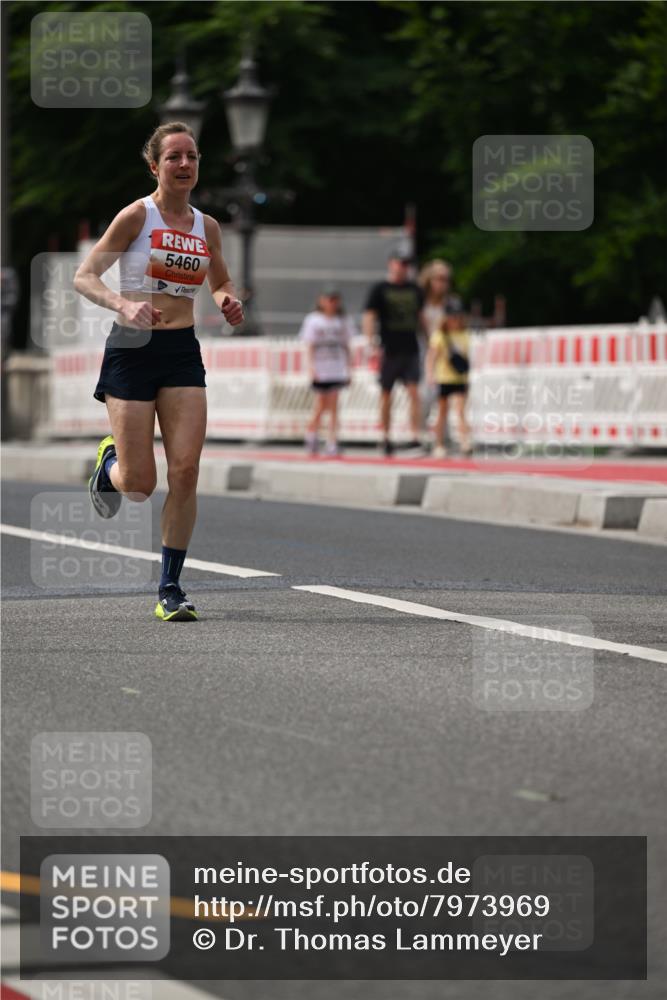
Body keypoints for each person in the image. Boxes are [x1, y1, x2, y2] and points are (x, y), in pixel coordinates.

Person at [74, 121, 244, 622]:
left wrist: (227, 300)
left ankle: (170, 587)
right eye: (174, 157)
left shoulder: (206, 226)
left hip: (181, 350)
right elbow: (85, 276)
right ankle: (109, 465)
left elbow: (221, 280)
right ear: (155, 166)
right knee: (139, 484)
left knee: (185, 471)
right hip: (132, 346)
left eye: (192, 156)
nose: (184, 164)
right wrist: (123, 305)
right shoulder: (136, 216)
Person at [363, 250, 425, 456]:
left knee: (414, 393)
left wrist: (430, 338)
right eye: (400, 263)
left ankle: (415, 436)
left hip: (411, 347)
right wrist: (371, 343)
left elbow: (421, 316)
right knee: (386, 394)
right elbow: (369, 316)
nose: (402, 268)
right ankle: (385, 436)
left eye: (406, 264)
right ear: (391, 264)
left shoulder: (415, 289)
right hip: (389, 348)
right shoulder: (380, 288)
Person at [299, 287, 354, 456]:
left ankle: (332, 440)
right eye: (329, 300)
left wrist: (349, 368)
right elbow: (309, 345)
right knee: (321, 404)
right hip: (321, 365)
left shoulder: (342, 320)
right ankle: (312, 434)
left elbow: (347, 345)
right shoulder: (314, 320)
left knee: (335, 404)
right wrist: (311, 367)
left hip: (336, 365)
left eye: (335, 300)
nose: (332, 304)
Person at [424, 301, 473, 458]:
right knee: (442, 412)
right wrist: (430, 374)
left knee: (460, 411)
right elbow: (431, 357)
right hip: (443, 378)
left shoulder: (464, 335)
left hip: (460, 378)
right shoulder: (439, 336)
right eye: (452, 316)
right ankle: (439, 444)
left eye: (457, 316)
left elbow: (466, 359)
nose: (455, 320)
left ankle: (464, 441)